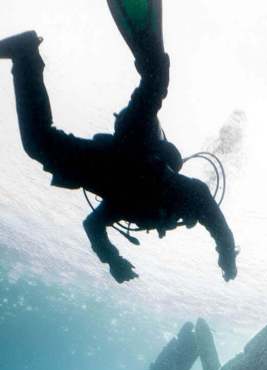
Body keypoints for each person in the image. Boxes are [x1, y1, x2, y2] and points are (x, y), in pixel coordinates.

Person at [0, 30, 237, 283]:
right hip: (134, 151)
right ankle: (27, 55)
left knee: (39, 143)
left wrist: (112, 260)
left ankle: (25, 56)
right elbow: (216, 222)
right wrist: (227, 259)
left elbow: (93, 224)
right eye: (186, 221)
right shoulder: (184, 194)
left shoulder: (134, 207)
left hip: (106, 160)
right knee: (150, 92)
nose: (175, 226)